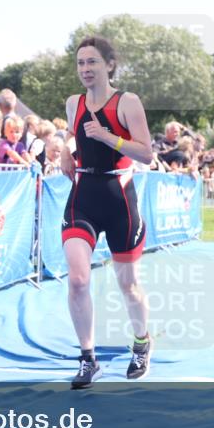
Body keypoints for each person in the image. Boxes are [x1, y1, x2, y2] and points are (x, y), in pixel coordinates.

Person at [60, 36, 154, 388]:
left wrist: (107, 137)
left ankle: (142, 342)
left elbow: (147, 153)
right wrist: (65, 151)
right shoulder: (74, 102)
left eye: (92, 62)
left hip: (120, 198)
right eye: (81, 63)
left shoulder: (127, 102)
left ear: (109, 65)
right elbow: (73, 133)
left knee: (128, 285)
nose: (85, 69)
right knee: (78, 278)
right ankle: (88, 358)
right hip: (83, 195)